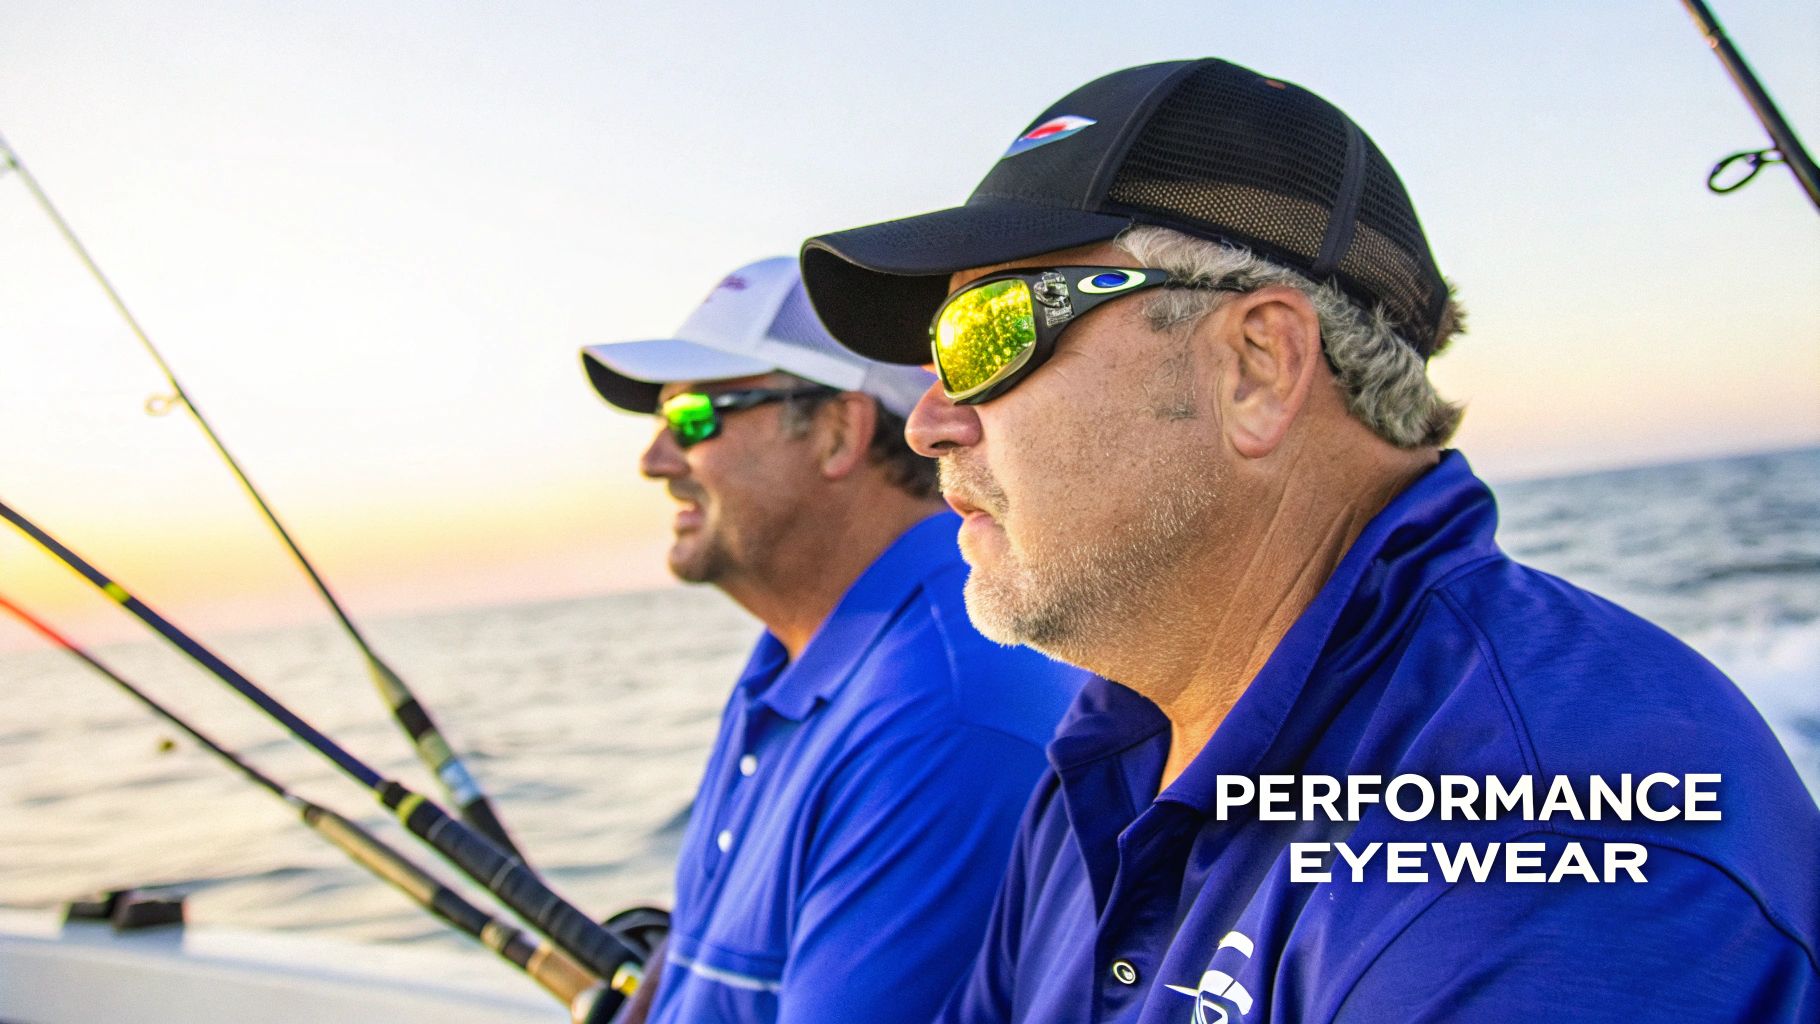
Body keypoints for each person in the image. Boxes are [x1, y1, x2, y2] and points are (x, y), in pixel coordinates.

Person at [798, 59, 1820, 1023]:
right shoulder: (1111, 755)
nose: (926, 421)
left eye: (987, 335)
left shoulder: (1540, 858)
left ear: (1256, 364)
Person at [578, 255, 1084, 1024]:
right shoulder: (790, 658)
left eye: (693, 419)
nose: (655, 460)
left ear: (839, 432)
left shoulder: (950, 714)